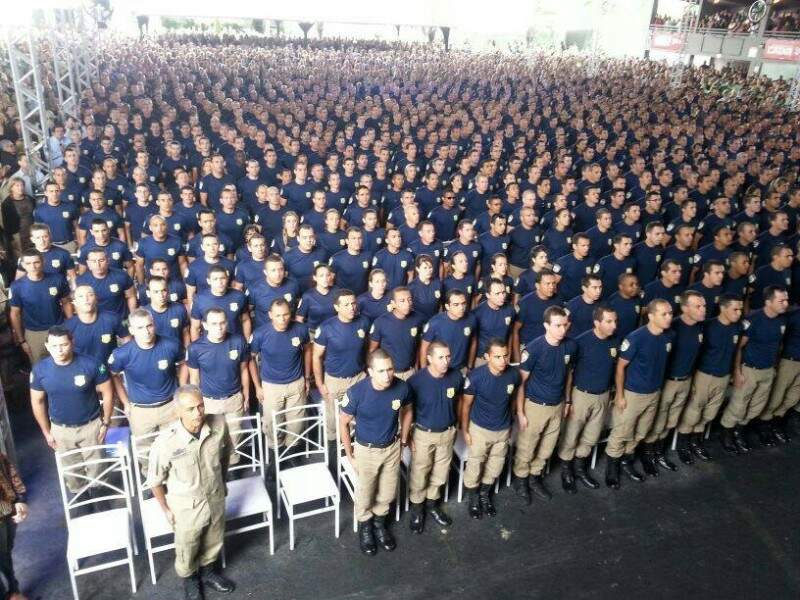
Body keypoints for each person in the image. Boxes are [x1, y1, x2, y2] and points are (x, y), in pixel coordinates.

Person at [147, 385, 235, 600]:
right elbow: (155, 481)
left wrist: (222, 484)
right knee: (188, 544)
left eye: (200, 406)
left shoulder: (219, 424)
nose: (198, 413)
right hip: (187, 505)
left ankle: (208, 572)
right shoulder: (166, 442)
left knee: (214, 538)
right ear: (178, 412)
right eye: (190, 409)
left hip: (214, 495)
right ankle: (190, 579)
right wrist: (166, 509)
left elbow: (224, 458)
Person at [339, 349, 413, 555]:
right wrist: (350, 454)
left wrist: (404, 438)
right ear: (370, 371)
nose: (387, 375)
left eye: (390, 369)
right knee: (366, 493)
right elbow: (343, 423)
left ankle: (380, 524)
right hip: (366, 450)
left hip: (391, 447)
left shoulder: (402, 388)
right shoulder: (356, 393)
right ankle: (365, 528)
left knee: (389, 491)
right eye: (381, 371)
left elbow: (408, 411)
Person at [29, 327, 114, 493]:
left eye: (64, 345)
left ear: (72, 343)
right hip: (61, 430)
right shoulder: (40, 370)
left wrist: (105, 422)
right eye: (54, 346)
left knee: (98, 471)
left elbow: (108, 392)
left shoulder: (91, 363)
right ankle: (81, 504)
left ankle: (100, 505)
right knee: (72, 474)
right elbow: (37, 401)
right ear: (47, 346)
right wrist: (47, 432)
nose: (59, 350)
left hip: (91, 426)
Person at [605, 299, 674, 489]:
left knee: (641, 431)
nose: (669, 317)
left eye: (670, 313)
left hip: (654, 393)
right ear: (651, 316)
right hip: (633, 393)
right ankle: (612, 470)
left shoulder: (668, 337)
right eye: (664, 314)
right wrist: (620, 395)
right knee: (621, 433)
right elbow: (620, 367)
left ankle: (627, 461)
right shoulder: (636, 337)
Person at [513, 306, 575, 502]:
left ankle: (534, 478)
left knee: (547, 448)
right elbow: (520, 383)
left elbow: (568, 376)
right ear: (546, 325)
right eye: (557, 326)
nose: (562, 330)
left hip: (556, 405)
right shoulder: (534, 348)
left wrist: (567, 400)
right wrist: (521, 412)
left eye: (565, 325)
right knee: (527, 447)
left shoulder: (570, 346)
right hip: (535, 406)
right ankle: (521, 481)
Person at [641, 290, 706, 475]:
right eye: (698, 306)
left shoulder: (700, 327)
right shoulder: (672, 329)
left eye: (704, 306)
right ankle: (648, 456)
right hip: (666, 382)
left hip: (685, 380)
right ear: (685, 308)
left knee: (671, 420)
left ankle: (660, 454)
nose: (703, 310)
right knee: (657, 421)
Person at [556, 305, 618, 493]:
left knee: (591, 436)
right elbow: (569, 373)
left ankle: (580, 469)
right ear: (597, 323)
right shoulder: (580, 343)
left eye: (615, 321)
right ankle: (566, 472)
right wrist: (568, 400)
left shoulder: (615, 342)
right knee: (571, 435)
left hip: (603, 395)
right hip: (581, 395)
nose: (614, 326)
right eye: (609, 321)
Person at [676, 294, 743, 462]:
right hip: (704, 375)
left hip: (723, 376)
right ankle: (682, 445)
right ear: (723, 308)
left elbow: (736, 351)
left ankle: (695, 442)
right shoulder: (706, 327)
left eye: (740, 309)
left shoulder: (737, 328)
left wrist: (735, 371)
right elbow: (694, 352)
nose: (739, 313)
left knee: (709, 413)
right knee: (693, 411)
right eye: (735, 309)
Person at [720, 286, 789, 450]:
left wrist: (775, 366)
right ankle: (727, 435)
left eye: (786, 300)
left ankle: (739, 431)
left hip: (768, 370)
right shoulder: (753, 319)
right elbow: (738, 347)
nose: (785, 304)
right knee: (739, 405)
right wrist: (736, 372)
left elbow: (778, 344)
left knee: (757, 406)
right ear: (768, 302)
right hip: (749, 369)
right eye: (781, 301)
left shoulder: (782, 319)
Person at [406, 341, 464, 533]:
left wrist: (457, 425)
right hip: (423, 434)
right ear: (429, 358)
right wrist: (409, 436)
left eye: (448, 356)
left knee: (440, 473)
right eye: (441, 357)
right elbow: (406, 412)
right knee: (420, 474)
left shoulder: (456, 376)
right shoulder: (416, 381)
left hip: (447, 432)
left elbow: (461, 401)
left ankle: (432, 505)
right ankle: (417, 510)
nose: (446, 361)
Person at [460, 339, 520, 519]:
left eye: (505, 356)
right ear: (487, 357)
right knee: (475, 466)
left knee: (495, 467)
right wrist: (465, 430)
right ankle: (474, 499)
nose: (503, 360)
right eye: (497, 357)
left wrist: (510, 422)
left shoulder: (513, 375)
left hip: (502, 428)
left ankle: (485, 495)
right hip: (480, 428)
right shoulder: (476, 377)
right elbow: (466, 406)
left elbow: (512, 400)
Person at [109, 309, 188, 441]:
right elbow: (113, 375)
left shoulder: (171, 345)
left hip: (170, 407)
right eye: (140, 328)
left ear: (154, 325)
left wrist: (182, 388)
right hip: (141, 411)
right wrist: (126, 403)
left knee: (175, 450)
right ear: (132, 330)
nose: (146, 331)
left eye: (149, 326)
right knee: (145, 455)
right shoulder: (121, 354)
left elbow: (184, 363)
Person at [187, 308, 250, 463]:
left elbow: (243, 370)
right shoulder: (195, 348)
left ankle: (232, 467)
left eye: (222, 323)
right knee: (212, 440)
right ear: (205, 325)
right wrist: (197, 405)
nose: (219, 327)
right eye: (214, 323)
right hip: (209, 402)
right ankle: (215, 470)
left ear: (227, 323)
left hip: (234, 398)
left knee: (234, 437)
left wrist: (246, 393)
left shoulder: (238, 341)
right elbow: (194, 379)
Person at [249, 298, 310, 451]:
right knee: (272, 424)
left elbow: (308, 351)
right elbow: (250, 359)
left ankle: (291, 452)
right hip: (271, 386)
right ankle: (276, 454)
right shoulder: (260, 334)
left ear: (291, 314)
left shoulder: (301, 329)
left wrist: (307, 378)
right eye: (278, 315)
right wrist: (257, 386)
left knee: (297, 423)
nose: (282, 319)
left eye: (285, 314)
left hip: (296, 383)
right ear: (270, 315)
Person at [313, 289, 370, 440]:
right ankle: (333, 459)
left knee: (363, 417)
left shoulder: (363, 322)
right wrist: (320, 384)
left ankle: (357, 452)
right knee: (332, 423)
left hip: (358, 378)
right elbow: (316, 357)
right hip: (335, 380)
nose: (351, 307)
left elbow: (368, 349)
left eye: (353, 303)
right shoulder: (326, 328)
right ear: (337, 307)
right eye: (346, 305)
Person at [9, 249, 73, 364]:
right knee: (39, 368)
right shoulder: (16, 287)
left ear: (43, 261)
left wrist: (72, 325)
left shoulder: (57, 279)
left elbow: (66, 303)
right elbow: (15, 314)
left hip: (59, 328)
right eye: (28, 263)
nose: (33, 266)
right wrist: (22, 340)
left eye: (36, 262)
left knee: (66, 362)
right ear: (23, 265)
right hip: (34, 334)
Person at [369, 287, 423, 381]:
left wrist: (416, 366)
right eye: (402, 301)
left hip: (411, 372)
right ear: (393, 303)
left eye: (409, 299)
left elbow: (418, 345)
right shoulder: (380, 322)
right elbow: (372, 349)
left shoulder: (418, 319)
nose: (407, 304)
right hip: (389, 374)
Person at [0, 452, 28, 600]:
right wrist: (13, 508)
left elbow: (9, 470)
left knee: (5, 554)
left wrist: (21, 499)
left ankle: (14, 591)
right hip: (6, 512)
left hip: (8, 515)